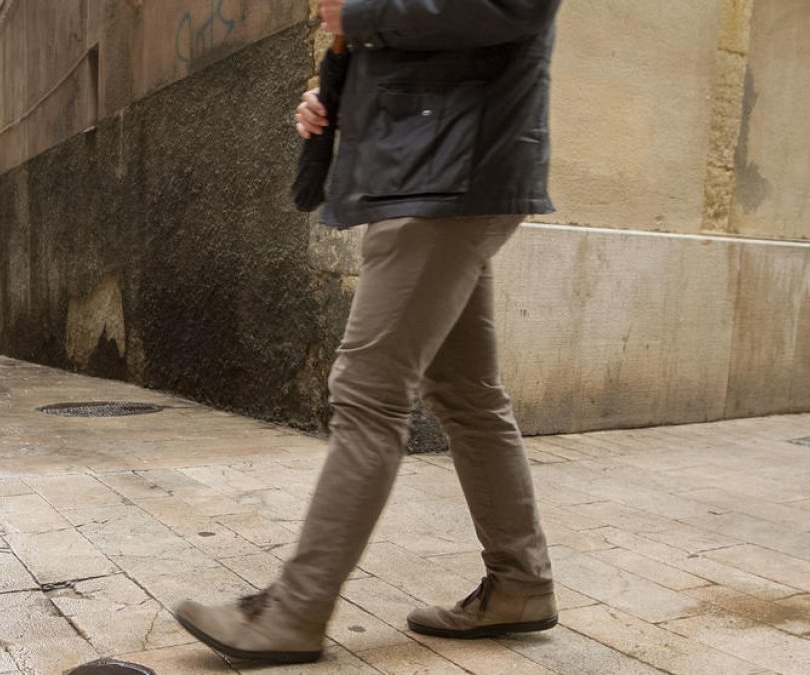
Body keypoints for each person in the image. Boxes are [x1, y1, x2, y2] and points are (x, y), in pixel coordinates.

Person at [175, 0, 563, 664]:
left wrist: (363, 17)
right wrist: (344, 98)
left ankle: (293, 614)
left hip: (451, 171)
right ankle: (521, 582)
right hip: (444, 166)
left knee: (368, 393)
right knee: (467, 391)